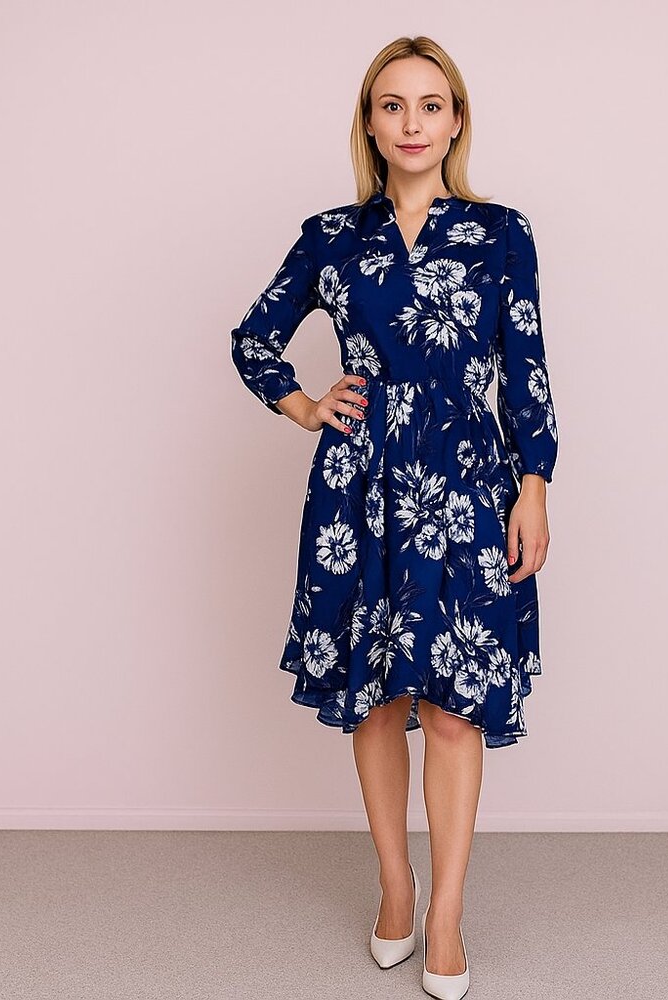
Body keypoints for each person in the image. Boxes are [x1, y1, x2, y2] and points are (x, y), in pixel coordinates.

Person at [230, 35, 558, 1000]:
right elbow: (254, 338)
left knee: (455, 706)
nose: (412, 123)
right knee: (375, 699)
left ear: (455, 121)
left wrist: (534, 485)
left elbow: (527, 368)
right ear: (370, 125)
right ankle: (395, 883)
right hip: (360, 487)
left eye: (430, 104)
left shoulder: (501, 233)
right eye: (392, 105)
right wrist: (304, 406)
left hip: (466, 483)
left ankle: (447, 913)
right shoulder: (332, 234)